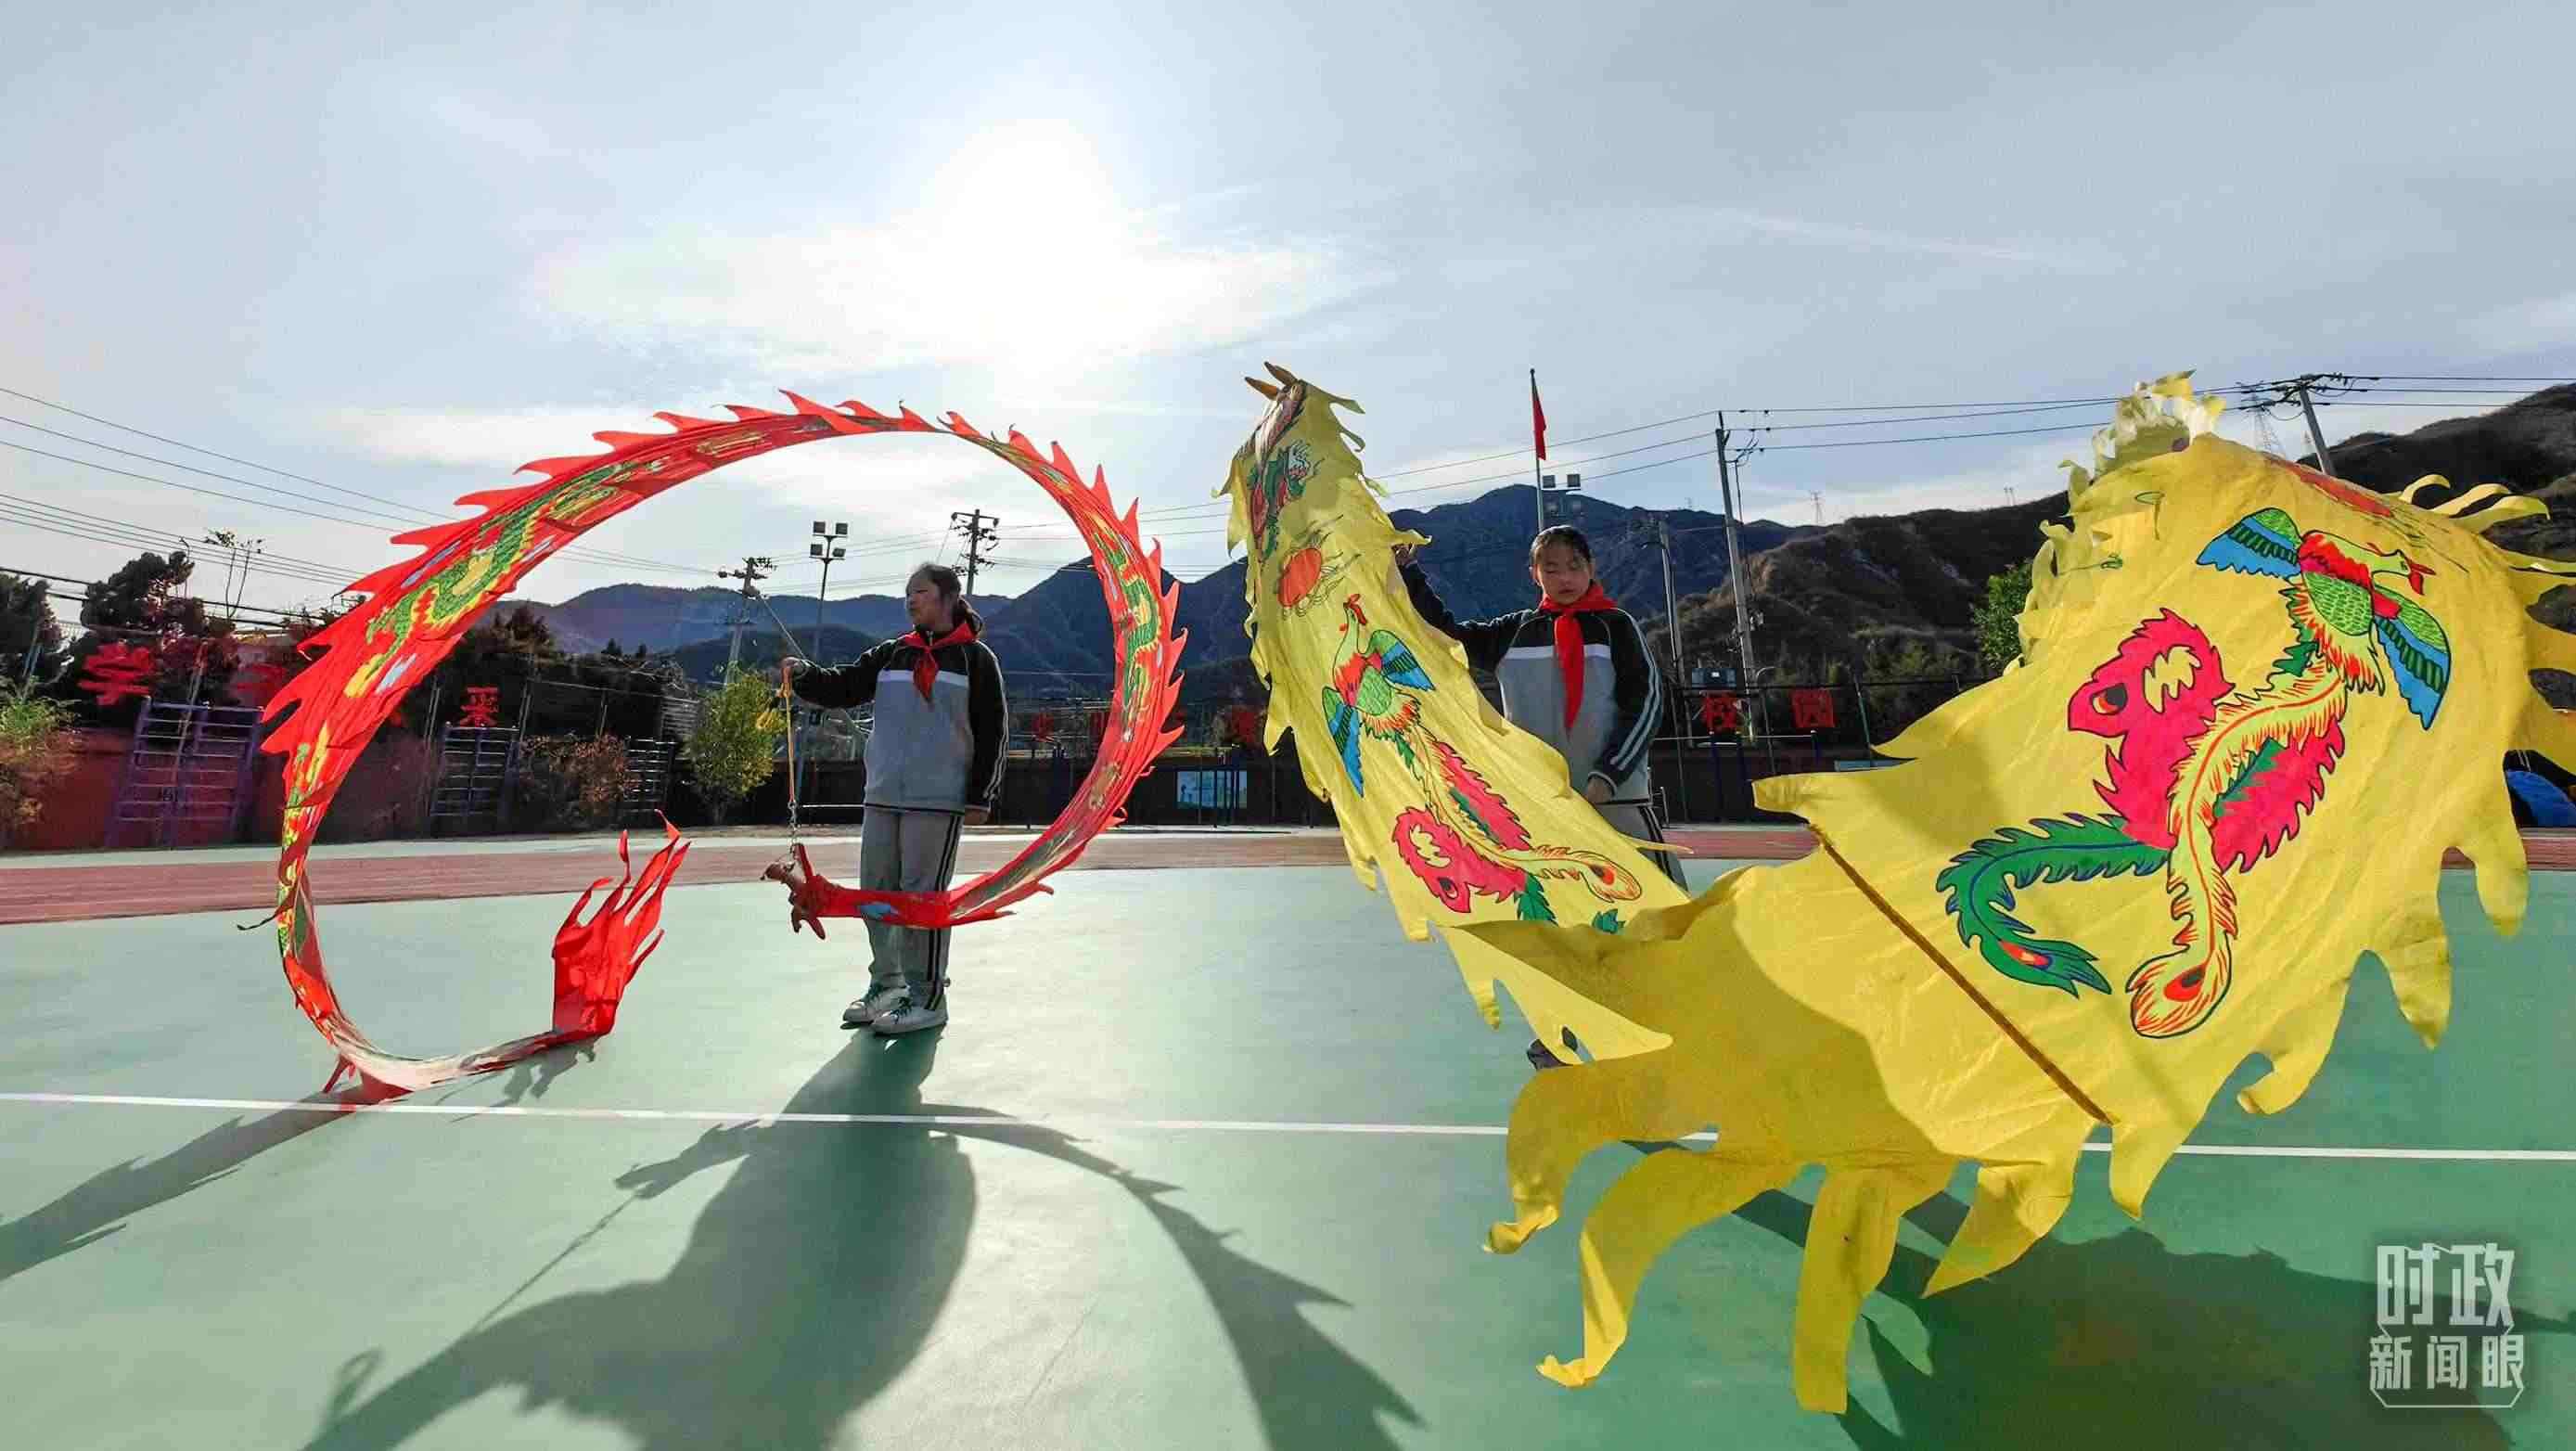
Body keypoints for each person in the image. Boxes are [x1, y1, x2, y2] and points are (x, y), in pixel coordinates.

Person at [1392, 524, 1685, 1069]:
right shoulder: (1514, 632)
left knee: (1656, 914)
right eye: (1551, 567)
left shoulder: (1616, 626)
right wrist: (1408, 574)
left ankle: (1670, 1025)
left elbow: (1646, 703)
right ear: (1534, 575)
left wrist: (1607, 776)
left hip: (1616, 804)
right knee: (1556, 925)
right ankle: (1558, 1033)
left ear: (1592, 569)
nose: (1564, 577)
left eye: (1574, 565)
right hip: (1544, 815)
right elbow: (1442, 634)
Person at [783, 562, 1006, 1035]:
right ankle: (888, 985)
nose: (910, 600)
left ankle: (927, 998)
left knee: (921, 899)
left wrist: (980, 794)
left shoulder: (976, 660)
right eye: (907, 593)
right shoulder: (892, 654)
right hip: (883, 794)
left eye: (920, 592)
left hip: (938, 799)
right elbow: (844, 685)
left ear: (948, 598)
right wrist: (803, 675)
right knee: (878, 892)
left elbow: (993, 731)